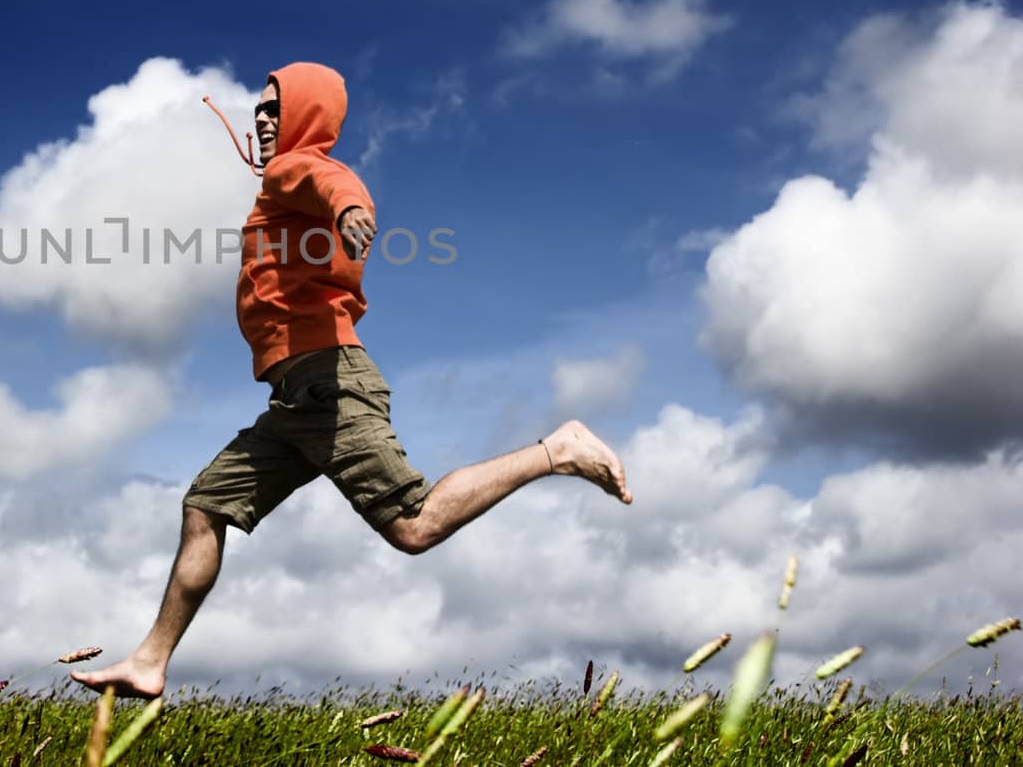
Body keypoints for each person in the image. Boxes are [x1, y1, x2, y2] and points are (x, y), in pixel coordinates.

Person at [71, 61, 632, 699]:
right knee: (206, 505)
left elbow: (327, 178)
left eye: (274, 108)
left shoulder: (292, 170)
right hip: (293, 402)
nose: (260, 117)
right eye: (256, 107)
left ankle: (556, 451)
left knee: (414, 526)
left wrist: (349, 210)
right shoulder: (277, 192)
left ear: (304, 115)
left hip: (331, 385)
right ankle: (150, 660)